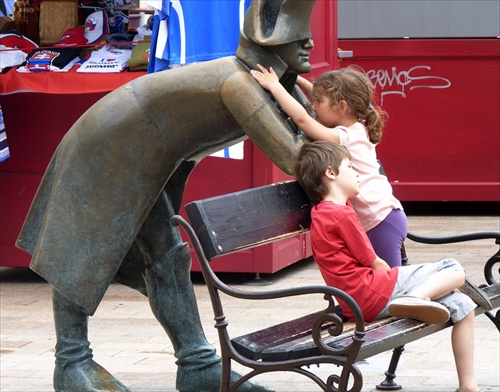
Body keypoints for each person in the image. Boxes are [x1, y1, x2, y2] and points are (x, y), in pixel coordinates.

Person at [15, 1, 316, 391]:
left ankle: (197, 365)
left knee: (167, 254)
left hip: (146, 152)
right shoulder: (239, 83)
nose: (309, 42)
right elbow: (297, 159)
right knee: (82, 247)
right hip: (110, 142)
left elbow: (313, 146)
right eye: (299, 37)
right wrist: (337, 134)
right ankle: (71, 362)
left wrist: (324, 120)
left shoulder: (273, 85)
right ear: (271, 43)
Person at [293, 140, 493, 392]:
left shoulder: (320, 212)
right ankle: (416, 297)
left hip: (357, 303)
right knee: (453, 268)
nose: (356, 172)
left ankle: (468, 386)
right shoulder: (341, 214)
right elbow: (371, 259)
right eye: (350, 166)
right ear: (331, 173)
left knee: (461, 304)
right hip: (373, 291)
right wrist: (391, 273)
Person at [250, 65, 407, 268]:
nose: (313, 106)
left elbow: (302, 120)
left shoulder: (346, 137)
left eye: (319, 102)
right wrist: (296, 79)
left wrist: (275, 87)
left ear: (341, 107)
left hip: (378, 221)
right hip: (386, 216)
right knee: (387, 279)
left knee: (393, 283)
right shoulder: (358, 128)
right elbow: (316, 98)